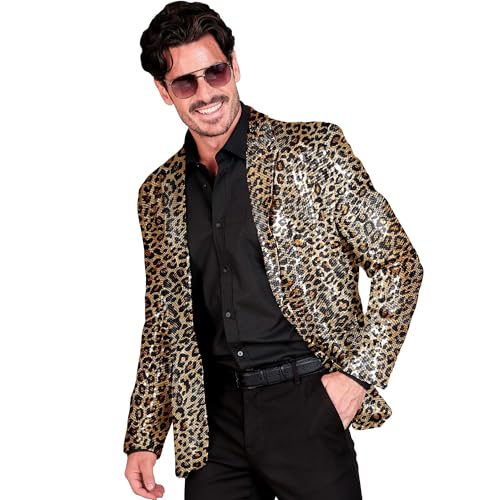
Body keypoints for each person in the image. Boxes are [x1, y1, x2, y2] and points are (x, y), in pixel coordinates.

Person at [123, 2, 424, 499]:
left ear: (234, 66)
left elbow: (398, 263)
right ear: (163, 91)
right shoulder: (158, 194)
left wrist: (357, 377)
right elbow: (163, 320)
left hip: (305, 401)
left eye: (215, 72)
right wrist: (145, 437)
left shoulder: (312, 152)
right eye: (185, 83)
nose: (206, 92)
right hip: (213, 423)